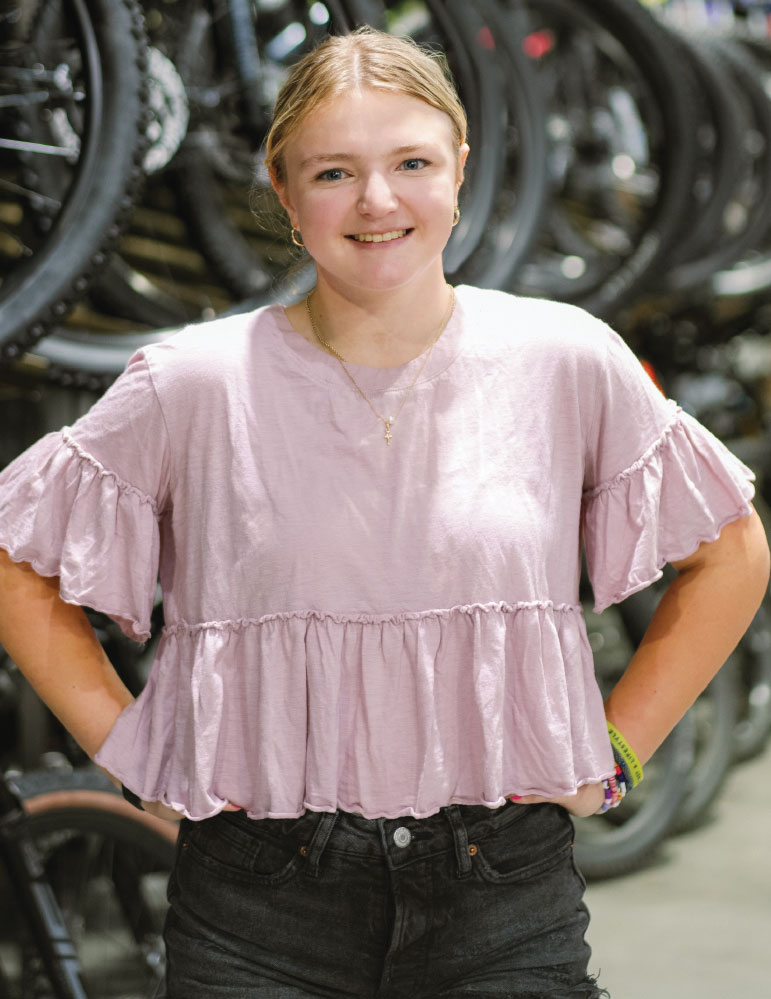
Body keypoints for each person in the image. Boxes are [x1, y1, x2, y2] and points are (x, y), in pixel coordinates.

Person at [0, 25, 768, 999]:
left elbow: (732, 553)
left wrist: (617, 751)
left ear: (459, 171)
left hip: (500, 897)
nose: (377, 200)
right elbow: (14, 559)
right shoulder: (190, 383)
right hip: (257, 909)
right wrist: (130, 746)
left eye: (411, 162)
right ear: (283, 192)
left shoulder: (564, 357)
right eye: (333, 172)